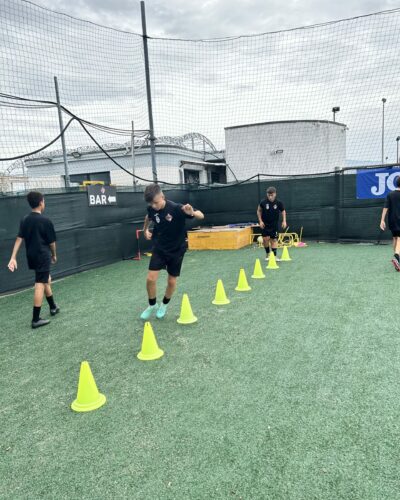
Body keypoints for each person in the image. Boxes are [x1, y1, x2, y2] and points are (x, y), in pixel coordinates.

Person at [140, 183, 204, 320]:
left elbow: (201, 216)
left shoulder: (176, 208)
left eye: (156, 202)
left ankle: (164, 305)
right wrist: (145, 229)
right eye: (151, 203)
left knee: (171, 281)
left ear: (162, 196)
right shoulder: (151, 208)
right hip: (159, 248)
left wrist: (191, 212)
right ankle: (152, 305)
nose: (154, 206)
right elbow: (148, 217)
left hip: (176, 249)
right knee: (150, 278)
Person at [7, 191, 59, 329]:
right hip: (43, 255)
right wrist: (54, 255)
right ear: (41, 202)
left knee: (45, 278)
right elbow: (52, 243)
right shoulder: (46, 221)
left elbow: (19, 238)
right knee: (40, 283)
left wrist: (13, 257)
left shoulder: (25, 219)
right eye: (44, 201)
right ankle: (35, 319)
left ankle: (53, 307)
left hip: (32, 256)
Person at [257, 186, 287, 261]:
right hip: (265, 224)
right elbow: (259, 211)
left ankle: (274, 256)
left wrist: (284, 221)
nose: (270, 196)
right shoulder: (263, 202)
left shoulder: (279, 203)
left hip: (274, 225)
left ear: (275, 194)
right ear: (267, 194)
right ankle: (267, 254)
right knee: (265, 239)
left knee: (274, 240)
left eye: (272, 195)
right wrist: (260, 221)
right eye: (268, 195)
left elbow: (283, 211)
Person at [380, 175, 400, 271]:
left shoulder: (390, 194)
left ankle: (397, 259)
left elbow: (385, 208)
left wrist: (382, 220)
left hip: (392, 220)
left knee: (395, 238)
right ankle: (396, 256)